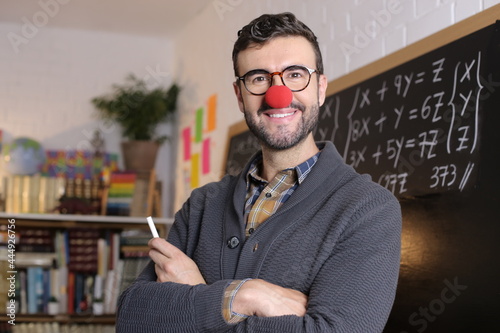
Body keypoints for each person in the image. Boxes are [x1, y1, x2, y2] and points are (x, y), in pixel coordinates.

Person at [116, 12, 401, 333]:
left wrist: (196, 300)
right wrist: (242, 297)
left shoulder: (368, 209)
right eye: (259, 78)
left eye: (295, 74)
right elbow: (132, 319)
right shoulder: (202, 205)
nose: (277, 94)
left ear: (320, 88)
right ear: (240, 96)